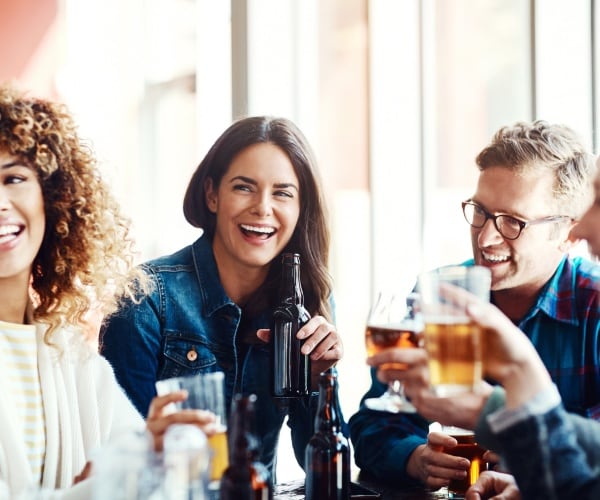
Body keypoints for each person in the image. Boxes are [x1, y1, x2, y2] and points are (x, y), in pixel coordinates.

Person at [349, 120, 600, 489]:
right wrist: (415, 457)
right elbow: (376, 420)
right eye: (479, 211)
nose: (485, 237)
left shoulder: (594, 306)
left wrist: (534, 482)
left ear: (568, 233)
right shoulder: (443, 295)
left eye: (512, 222)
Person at [0, 83, 216, 498]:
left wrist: (143, 459)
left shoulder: (69, 355)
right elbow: (125, 479)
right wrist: (112, 480)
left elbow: (150, 479)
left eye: (14, 178)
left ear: (53, 198)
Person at [100, 116, 343, 474]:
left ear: (300, 208)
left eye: (282, 193)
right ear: (212, 195)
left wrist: (319, 382)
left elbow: (320, 464)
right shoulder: (144, 300)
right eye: (244, 187)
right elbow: (118, 459)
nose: (262, 207)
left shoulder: (307, 304)